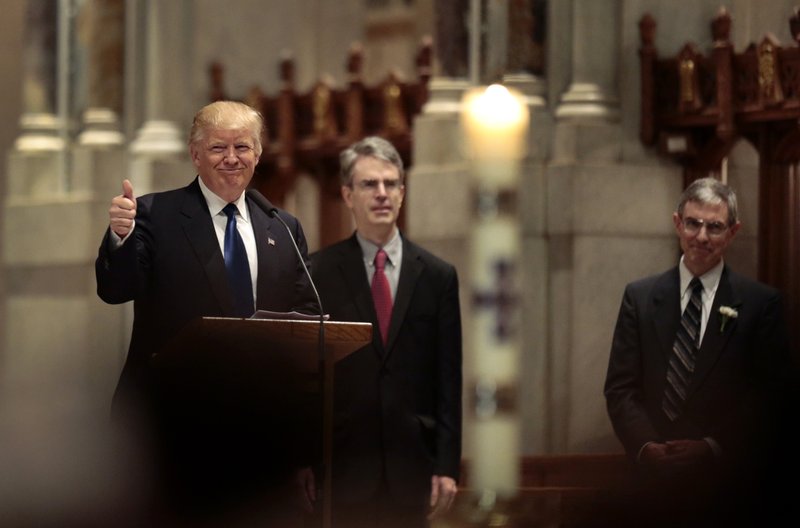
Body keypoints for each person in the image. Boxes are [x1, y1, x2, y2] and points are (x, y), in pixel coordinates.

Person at [95, 100, 317, 524]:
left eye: (243, 147)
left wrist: (304, 443)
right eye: (218, 148)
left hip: (260, 433)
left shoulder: (282, 226)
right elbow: (116, 289)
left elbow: (305, 329)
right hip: (171, 430)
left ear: (259, 153)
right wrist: (120, 239)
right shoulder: (154, 215)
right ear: (195, 155)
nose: (232, 159)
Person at [603, 177, 792, 526]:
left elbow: (770, 396)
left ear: (733, 232)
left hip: (729, 486)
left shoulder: (759, 304)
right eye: (693, 223)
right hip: (651, 485)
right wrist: (647, 446)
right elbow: (620, 387)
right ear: (678, 223)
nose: (702, 237)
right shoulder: (640, 297)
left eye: (715, 227)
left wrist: (711, 445)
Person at [310, 136, 462, 527]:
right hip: (344, 466)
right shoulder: (318, 273)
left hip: (413, 464)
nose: (382, 194)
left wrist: (447, 464)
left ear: (402, 192)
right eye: (369, 184)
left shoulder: (437, 276)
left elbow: (448, 377)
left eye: (390, 184)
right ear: (347, 194)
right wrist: (303, 461)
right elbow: (308, 379)